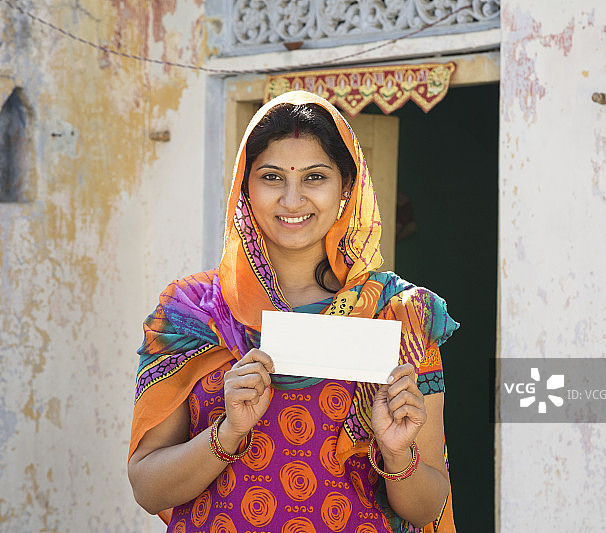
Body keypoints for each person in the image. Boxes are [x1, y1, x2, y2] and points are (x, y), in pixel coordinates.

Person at [127, 90, 460, 533]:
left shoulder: (400, 316)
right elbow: (147, 487)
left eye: (314, 177)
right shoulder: (192, 313)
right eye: (271, 177)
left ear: (347, 186)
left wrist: (398, 453)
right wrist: (226, 434)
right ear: (245, 187)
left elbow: (427, 507)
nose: (292, 199)